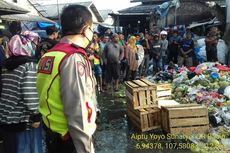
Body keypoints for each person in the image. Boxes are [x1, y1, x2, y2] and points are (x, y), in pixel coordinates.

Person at [36, 5, 97, 153]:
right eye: (92, 29)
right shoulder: (73, 57)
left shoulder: (49, 55)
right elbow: (78, 110)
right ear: (85, 29)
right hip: (70, 139)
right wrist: (86, 149)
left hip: (53, 133)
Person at [0, 26, 42, 153]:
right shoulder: (29, 66)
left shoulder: (7, 66)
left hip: (6, 117)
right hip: (22, 121)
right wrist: (36, 115)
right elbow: (30, 93)